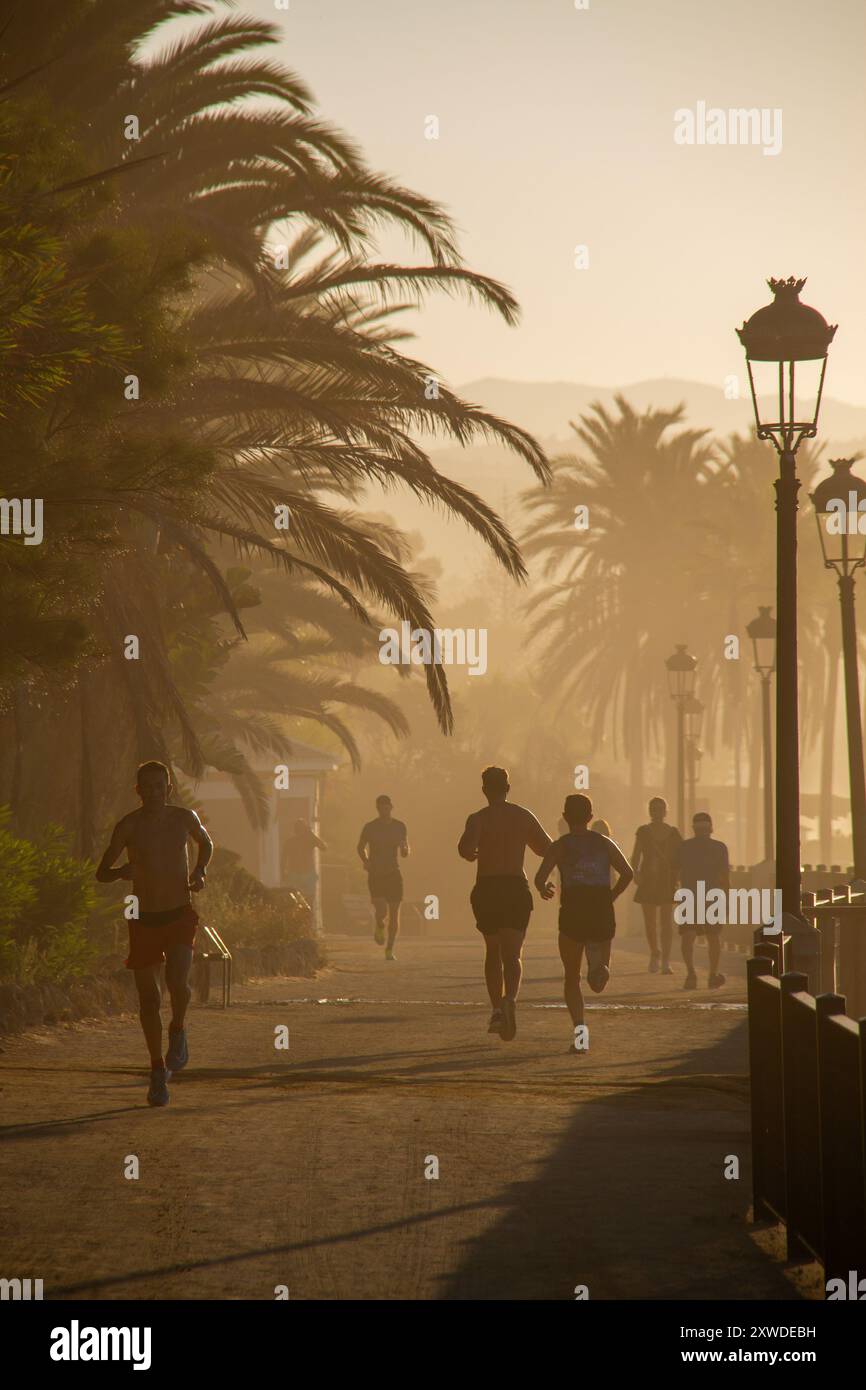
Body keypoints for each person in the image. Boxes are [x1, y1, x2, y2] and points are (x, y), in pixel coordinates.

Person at [96, 761, 213, 1107]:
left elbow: (206, 844)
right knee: (149, 1000)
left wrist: (200, 870)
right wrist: (120, 872)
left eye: (160, 785)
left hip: (179, 912)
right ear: (138, 790)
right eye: (147, 786)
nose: (154, 792)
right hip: (142, 915)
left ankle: (178, 1029)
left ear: (169, 788)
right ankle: (157, 1070)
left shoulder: (183, 818)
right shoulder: (128, 826)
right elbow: (101, 872)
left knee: (178, 982)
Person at [458, 766, 552, 1041]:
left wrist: (471, 852)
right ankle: (510, 997)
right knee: (513, 954)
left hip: (487, 888)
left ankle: (497, 1009)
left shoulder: (478, 819)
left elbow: (465, 849)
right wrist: (542, 880)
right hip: (514, 886)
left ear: (484, 790)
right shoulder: (523, 816)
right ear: (508, 788)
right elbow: (549, 849)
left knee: (492, 951)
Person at [535, 795, 633, 1052]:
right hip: (601, 908)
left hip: (573, 911)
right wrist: (612, 895)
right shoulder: (605, 843)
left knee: (571, 978)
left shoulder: (560, 846)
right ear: (591, 817)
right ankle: (599, 964)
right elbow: (628, 873)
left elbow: (540, 877)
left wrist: (544, 889)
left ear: (565, 818)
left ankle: (580, 1033)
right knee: (598, 985)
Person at [677, 811, 729, 990]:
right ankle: (712, 975)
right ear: (711, 828)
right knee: (713, 936)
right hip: (712, 895)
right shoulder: (720, 847)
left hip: (689, 893)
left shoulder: (684, 847)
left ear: (694, 829)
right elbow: (724, 877)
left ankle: (691, 974)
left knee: (688, 936)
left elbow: (676, 872)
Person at [631, 797, 682, 975]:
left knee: (666, 923)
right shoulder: (643, 831)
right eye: (653, 808)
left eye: (660, 809)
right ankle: (655, 953)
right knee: (650, 922)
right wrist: (635, 873)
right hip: (648, 880)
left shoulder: (674, 833)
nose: (657, 812)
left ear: (665, 811)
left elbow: (680, 857)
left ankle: (666, 961)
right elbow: (636, 854)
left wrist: (680, 878)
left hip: (667, 881)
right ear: (650, 811)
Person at [357, 795, 408, 960]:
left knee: (394, 913)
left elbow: (405, 852)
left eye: (386, 807)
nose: (384, 810)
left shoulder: (400, 826)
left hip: (393, 873)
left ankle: (389, 949)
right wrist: (366, 861)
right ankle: (379, 924)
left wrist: (405, 848)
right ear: (377, 809)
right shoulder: (370, 827)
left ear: (391, 807)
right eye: (380, 808)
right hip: (376, 874)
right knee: (381, 910)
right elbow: (360, 847)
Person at [283, 817, 326, 902]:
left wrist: (312, 835)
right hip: (294, 874)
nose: (301, 832)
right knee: (295, 901)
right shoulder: (290, 842)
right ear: (296, 830)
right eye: (299, 829)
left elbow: (323, 847)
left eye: (302, 829)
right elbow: (283, 858)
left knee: (309, 900)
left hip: (307, 874)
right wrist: (284, 873)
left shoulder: (310, 840)